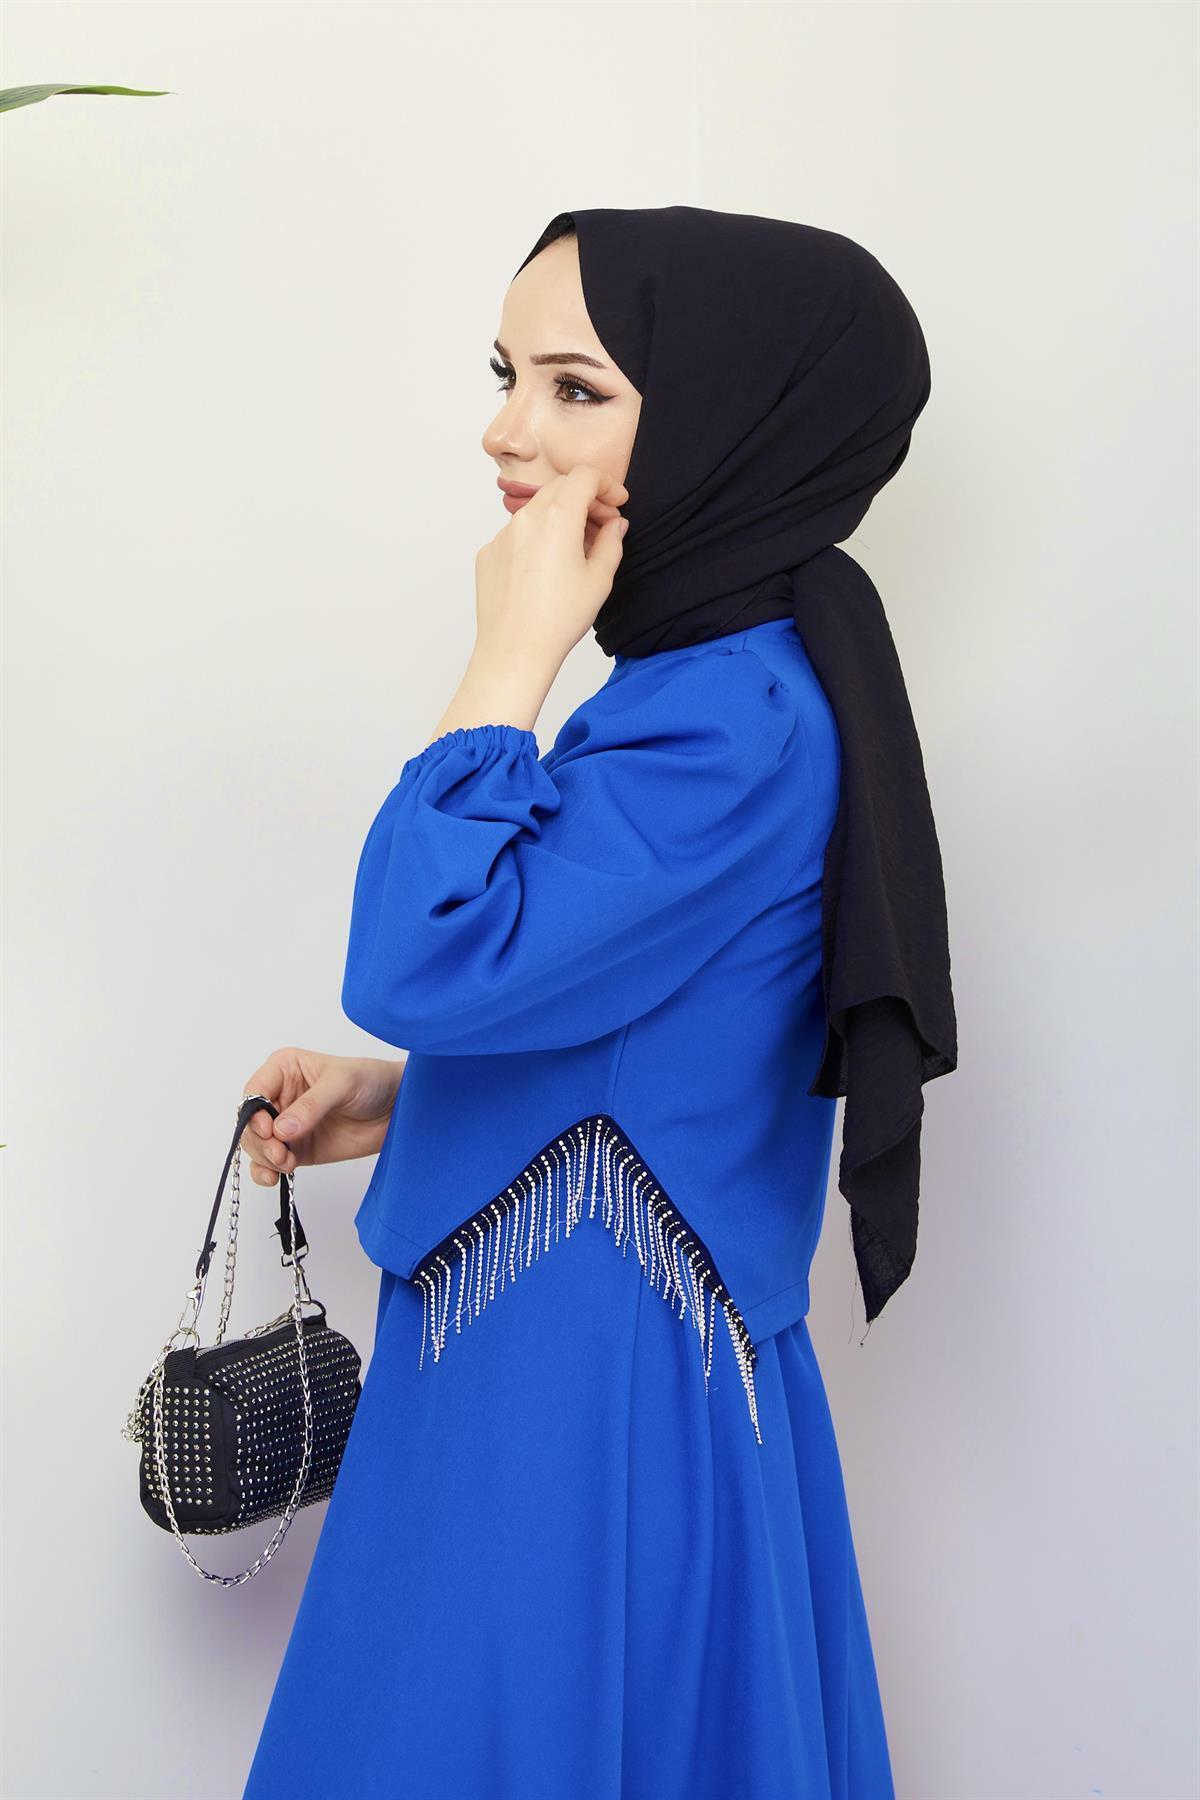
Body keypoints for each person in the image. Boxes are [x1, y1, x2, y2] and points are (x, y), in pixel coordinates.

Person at [240, 206, 957, 1800]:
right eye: (506, 375)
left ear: (726, 416)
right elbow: (642, 1013)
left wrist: (507, 663)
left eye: (575, 387)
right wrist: (406, 1096)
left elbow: (420, 956)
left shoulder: (725, 721)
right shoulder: (710, 684)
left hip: (581, 1366)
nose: (507, 432)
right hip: (569, 1325)